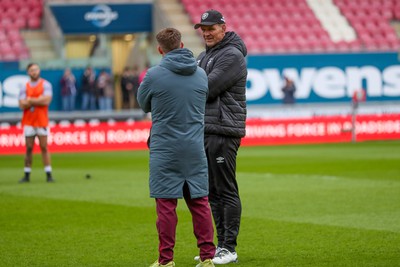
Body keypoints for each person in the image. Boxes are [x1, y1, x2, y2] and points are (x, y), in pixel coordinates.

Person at [137, 28, 216, 267]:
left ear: (160, 49)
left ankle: (166, 261)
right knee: (200, 203)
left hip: (165, 147)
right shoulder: (201, 74)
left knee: (166, 206)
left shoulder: (154, 74)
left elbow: (143, 104)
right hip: (194, 145)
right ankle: (207, 258)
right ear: (182, 44)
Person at [194, 9, 247, 264]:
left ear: (223, 29)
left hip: (224, 130)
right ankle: (220, 247)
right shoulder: (205, 55)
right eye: (203, 29)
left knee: (225, 189)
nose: (206, 32)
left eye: (211, 28)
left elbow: (207, 88)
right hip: (207, 128)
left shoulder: (232, 56)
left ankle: (229, 247)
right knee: (212, 191)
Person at [18, 62, 55, 183]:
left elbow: (47, 100)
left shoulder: (46, 84)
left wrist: (30, 100)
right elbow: (21, 104)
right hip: (29, 121)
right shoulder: (25, 86)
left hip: (42, 120)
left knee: (44, 146)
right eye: (32, 70)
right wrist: (38, 100)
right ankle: (27, 174)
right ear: (28, 72)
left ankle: (48, 174)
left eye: (36, 69)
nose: (34, 72)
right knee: (29, 147)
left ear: (39, 71)